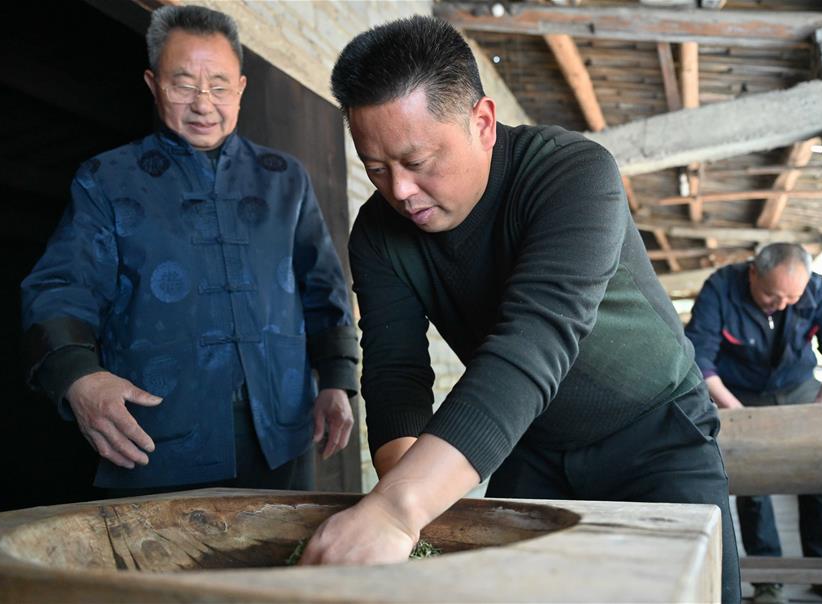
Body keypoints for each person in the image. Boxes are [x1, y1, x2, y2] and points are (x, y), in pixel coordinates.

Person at [299, 15, 741, 604]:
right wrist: (409, 506)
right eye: (376, 168)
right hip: (529, 442)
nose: (399, 190)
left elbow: (532, 343)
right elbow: (394, 371)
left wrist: (397, 510)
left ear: (482, 122)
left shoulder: (572, 174)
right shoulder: (378, 234)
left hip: (655, 433)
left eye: (417, 161)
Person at [20, 5, 358, 494]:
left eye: (219, 86)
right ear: (153, 83)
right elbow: (61, 285)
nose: (203, 104)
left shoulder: (286, 178)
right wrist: (77, 377)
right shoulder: (106, 179)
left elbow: (323, 286)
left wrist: (337, 379)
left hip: (284, 431)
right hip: (155, 441)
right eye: (183, 85)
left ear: (241, 88)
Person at [686, 243, 822, 604]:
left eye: (792, 298)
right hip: (739, 392)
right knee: (752, 484)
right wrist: (740, 413)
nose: (782, 305)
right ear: (753, 273)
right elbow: (699, 359)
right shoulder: (720, 288)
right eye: (772, 295)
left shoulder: (816, 288)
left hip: (798, 387)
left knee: (821, 474)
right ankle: (769, 582)